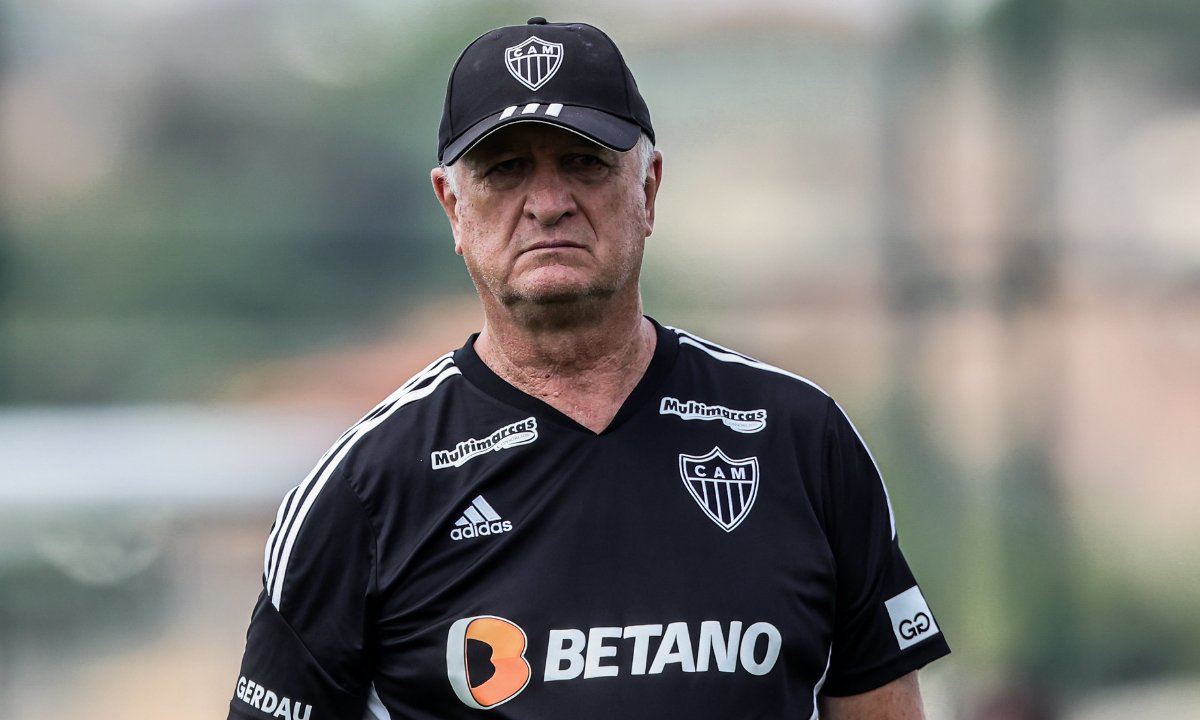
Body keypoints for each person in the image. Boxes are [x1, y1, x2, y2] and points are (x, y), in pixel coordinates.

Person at [228, 17, 950, 720]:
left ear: (649, 190)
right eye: (505, 170)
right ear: (452, 206)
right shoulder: (364, 487)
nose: (548, 204)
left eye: (584, 163)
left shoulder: (799, 439)